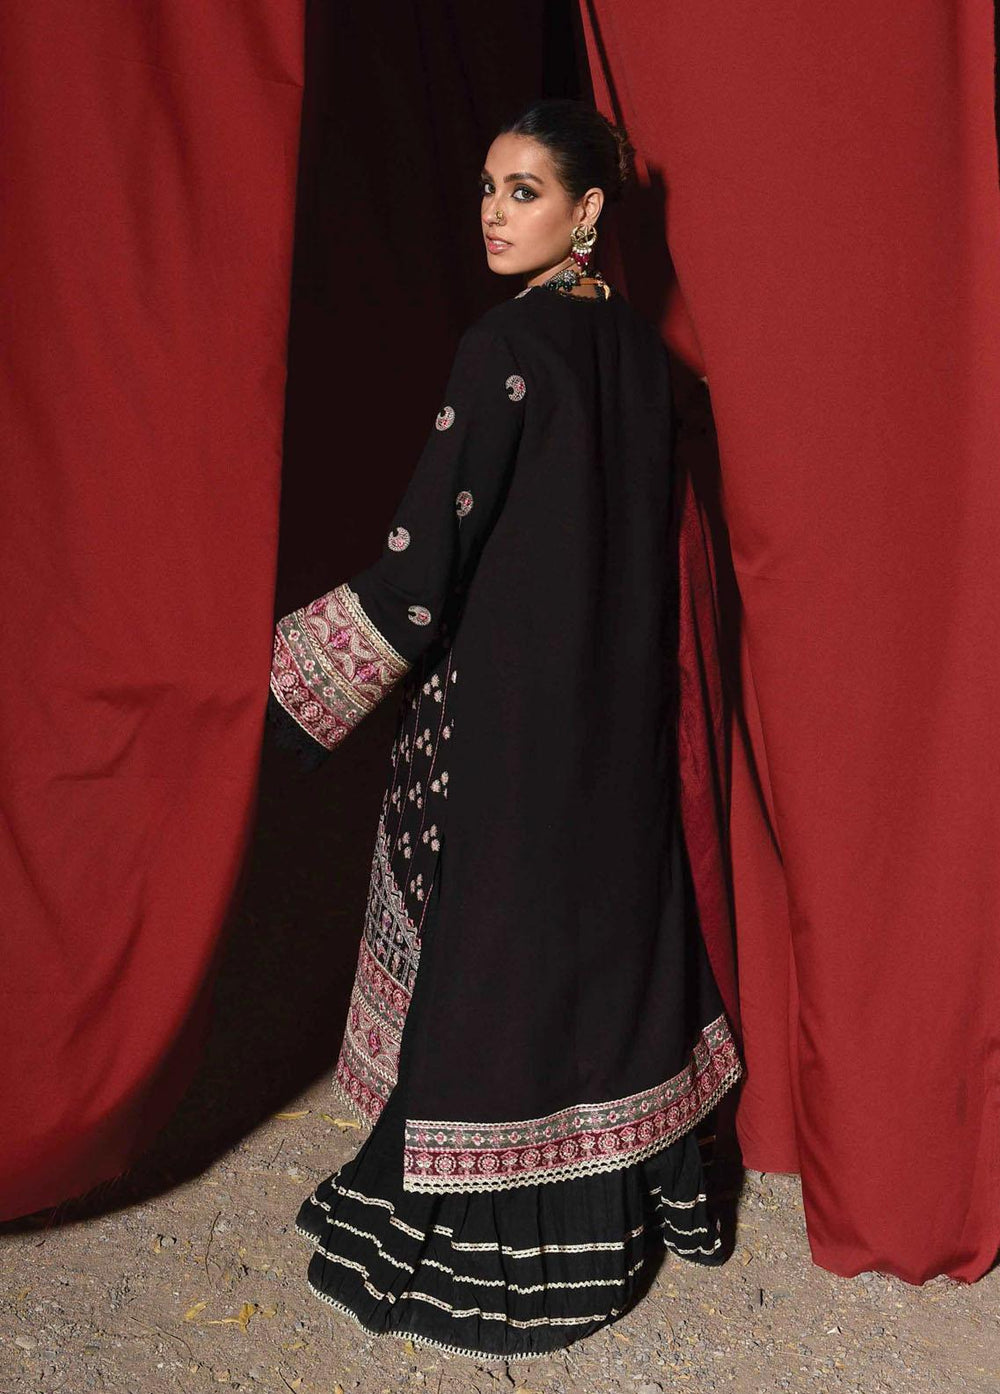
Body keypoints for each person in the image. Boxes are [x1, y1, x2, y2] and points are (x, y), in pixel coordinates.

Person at [267, 97, 743, 1361]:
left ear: (587, 212)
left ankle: (485, 1240)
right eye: (487, 187)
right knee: (598, 946)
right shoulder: (641, 352)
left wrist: (276, 691)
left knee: (498, 961)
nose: (491, 212)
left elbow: (420, 575)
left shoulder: (503, 348)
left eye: (522, 191)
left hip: (515, 721)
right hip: (615, 719)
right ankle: (624, 1211)